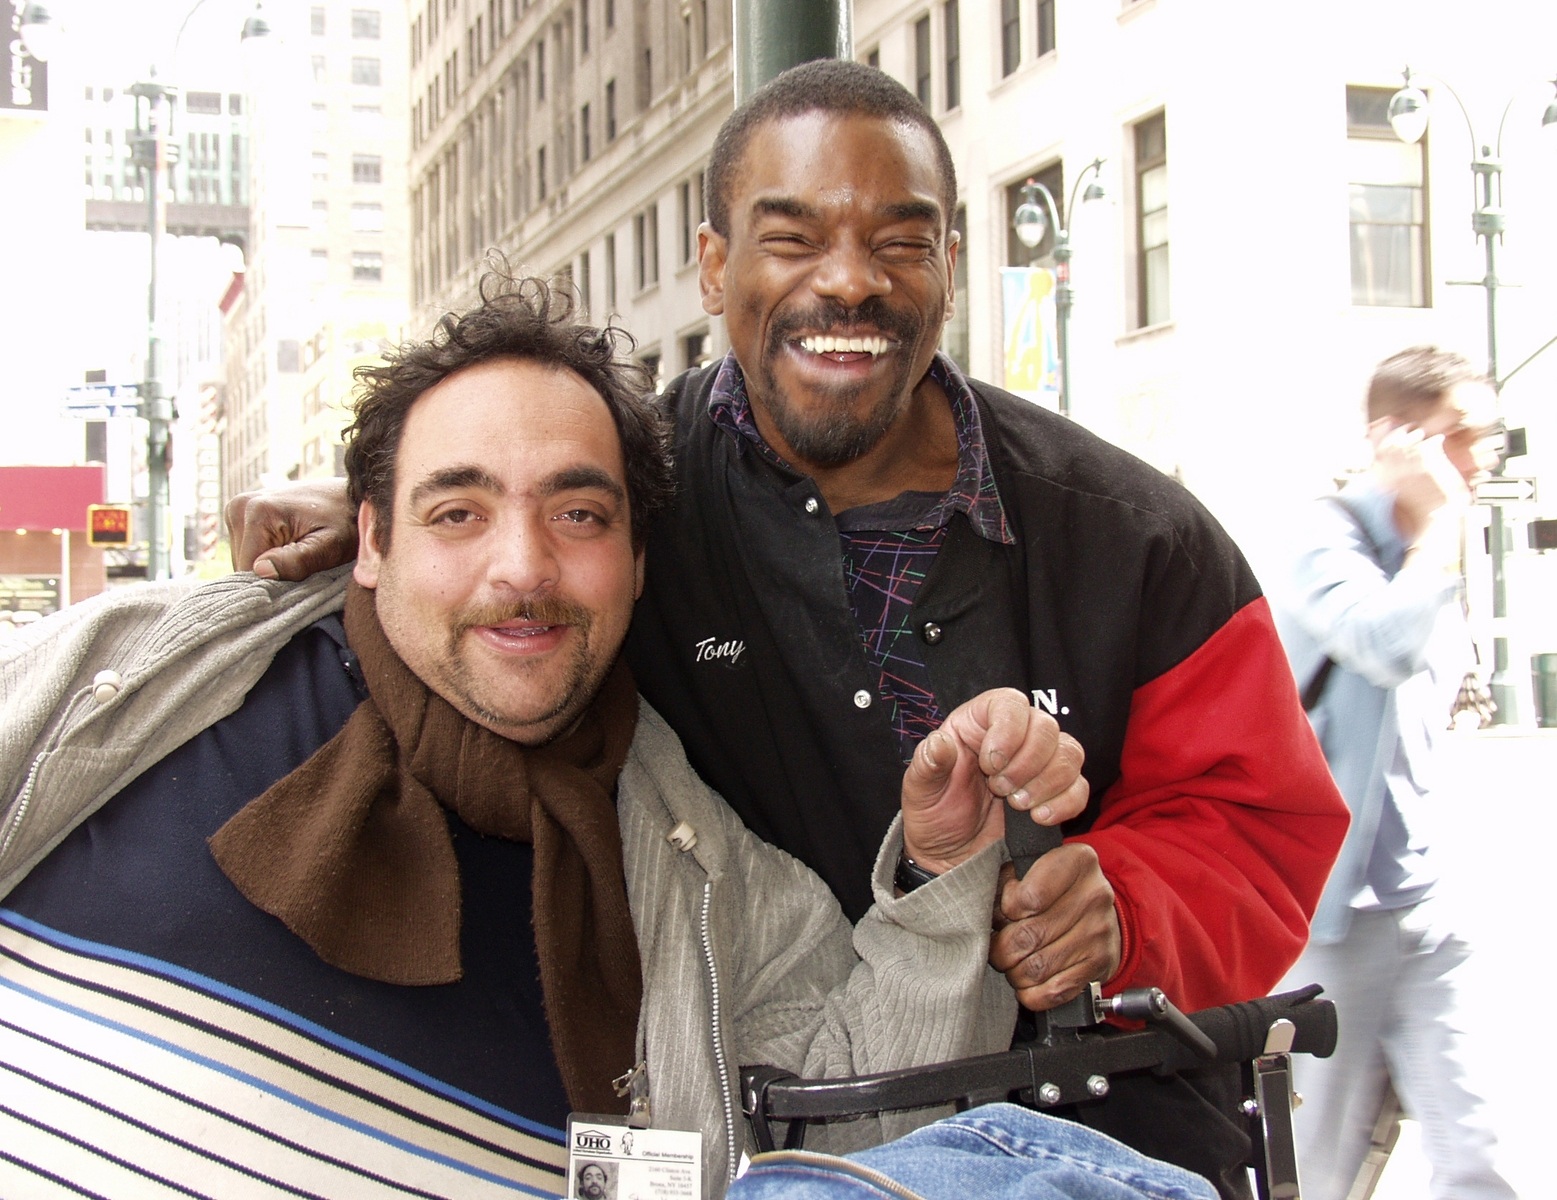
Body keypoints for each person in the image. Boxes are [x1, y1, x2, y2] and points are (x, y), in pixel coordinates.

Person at [226, 60, 1348, 1194]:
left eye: (902, 241)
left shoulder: (1139, 537)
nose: (849, 283)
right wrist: (378, 516)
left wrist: (1127, 902)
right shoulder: (619, 511)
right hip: (771, 1142)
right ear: (714, 266)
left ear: (949, 269)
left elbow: (1269, 827)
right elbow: (493, 571)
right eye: (793, 238)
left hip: (1108, 1142)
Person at [0, 274, 1090, 1200]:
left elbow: (864, 1121)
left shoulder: (697, 872)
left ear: (637, 564)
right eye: (458, 512)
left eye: (579, 515)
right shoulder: (127, 679)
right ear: (369, 538)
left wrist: (946, 866)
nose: (521, 569)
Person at [1271, 346, 1516, 1200]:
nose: (1483, 456)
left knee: (1480, 1154)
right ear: (1394, 437)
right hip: (1332, 923)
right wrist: (1443, 528)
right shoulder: (1321, 538)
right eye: (1463, 434)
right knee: (1314, 1170)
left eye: (1491, 435)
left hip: (1428, 909)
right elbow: (1381, 643)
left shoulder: (1432, 546)